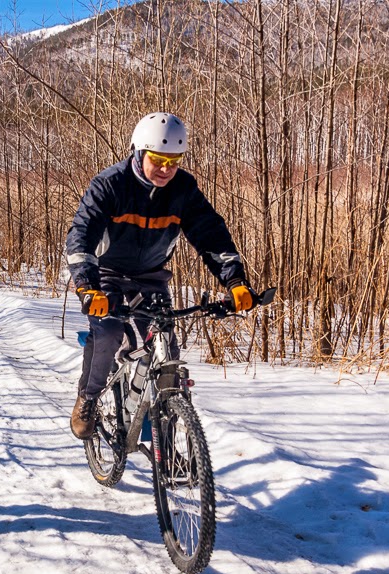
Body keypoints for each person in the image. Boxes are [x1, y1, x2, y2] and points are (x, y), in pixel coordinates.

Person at [66, 112, 256, 439]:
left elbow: (211, 236)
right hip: (108, 274)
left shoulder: (183, 189)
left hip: (151, 278)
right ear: (140, 152)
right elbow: (81, 236)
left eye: (175, 161)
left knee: (166, 347)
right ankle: (89, 396)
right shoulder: (110, 184)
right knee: (109, 333)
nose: (167, 169)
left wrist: (235, 281)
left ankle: (165, 432)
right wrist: (86, 286)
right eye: (159, 160)